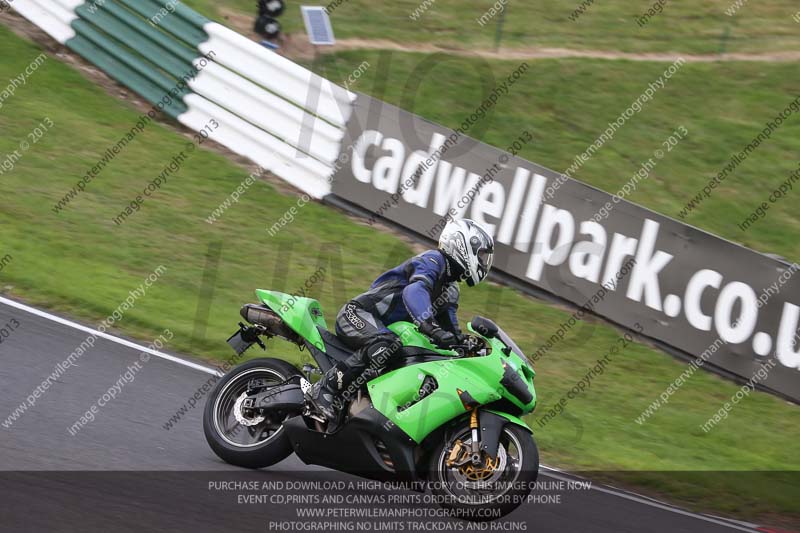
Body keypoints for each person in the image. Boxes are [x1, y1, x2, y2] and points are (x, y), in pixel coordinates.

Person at [306, 218, 494, 425]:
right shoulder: (433, 261)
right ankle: (325, 388)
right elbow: (415, 290)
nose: (484, 261)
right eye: (482, 255)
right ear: (461, 244)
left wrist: (467, 347)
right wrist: (429, 325)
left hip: (383, 329)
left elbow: (451, 330)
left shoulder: (450, 290)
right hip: (357, 314)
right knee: (386, 344)